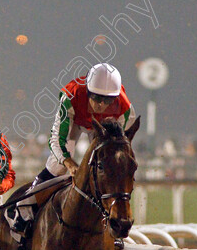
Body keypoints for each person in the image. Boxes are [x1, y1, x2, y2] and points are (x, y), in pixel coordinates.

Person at [9, 62, 136, 234]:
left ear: (115, 98)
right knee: (58, 165)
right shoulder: (71, 96)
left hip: (102, 126)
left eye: (107, 100)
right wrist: (70, 163)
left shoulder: (125, 109)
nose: (101, 104)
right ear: (88, 91)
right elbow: (57, 140)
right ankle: (25, 206)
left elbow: (120, 148)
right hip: (75, 120)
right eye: (97, 98)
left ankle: (113, 218)